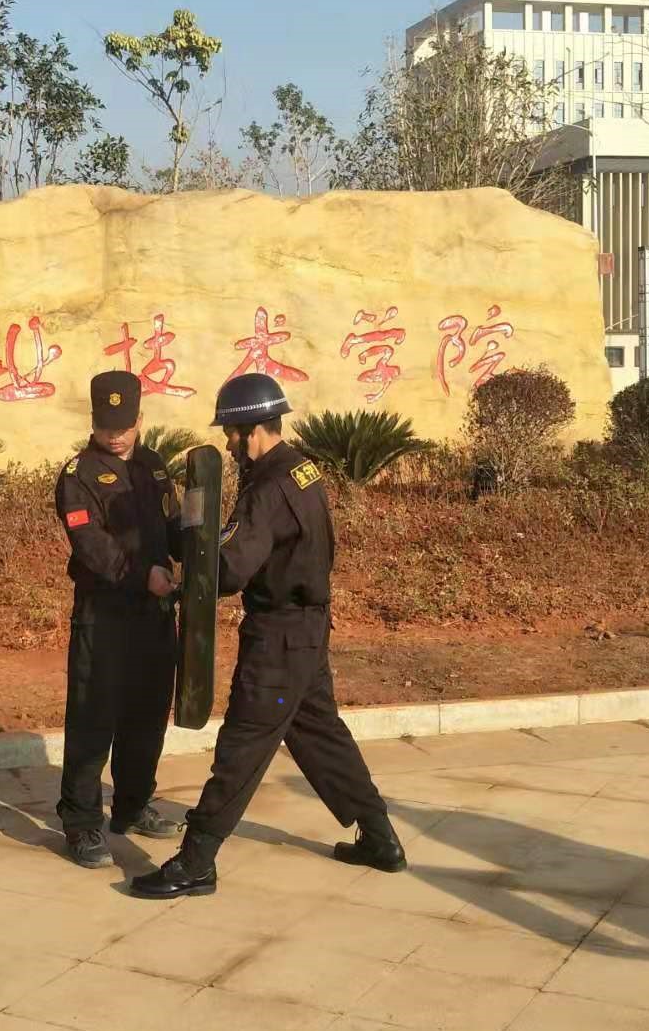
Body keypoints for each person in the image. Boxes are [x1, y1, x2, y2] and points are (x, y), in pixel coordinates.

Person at [131, 373, 406, 899]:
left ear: (252, 430)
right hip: (306, 630)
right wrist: (195, 532)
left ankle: (196, 860)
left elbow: (232, 566)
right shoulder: (301, 469)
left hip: (279, 637)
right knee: (320, 734)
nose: (228, 446)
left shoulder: (266, 489)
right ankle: (379, 837)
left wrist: (188, 576)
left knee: (242, 745)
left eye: (231, 434)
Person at [53, 369, 183, 867]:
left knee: (147, 715)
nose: (116, 435)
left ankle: (132, 804)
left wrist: (203, 550)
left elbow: (175, 526)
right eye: (107, 426)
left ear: (140, 419)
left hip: (154, 614)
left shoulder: (154, 466)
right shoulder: (78, 475)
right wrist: (141, 575)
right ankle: (81, 822)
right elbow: (90, 545)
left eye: (125, 426)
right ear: (93, 422)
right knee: (93, 718)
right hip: (103, 615)